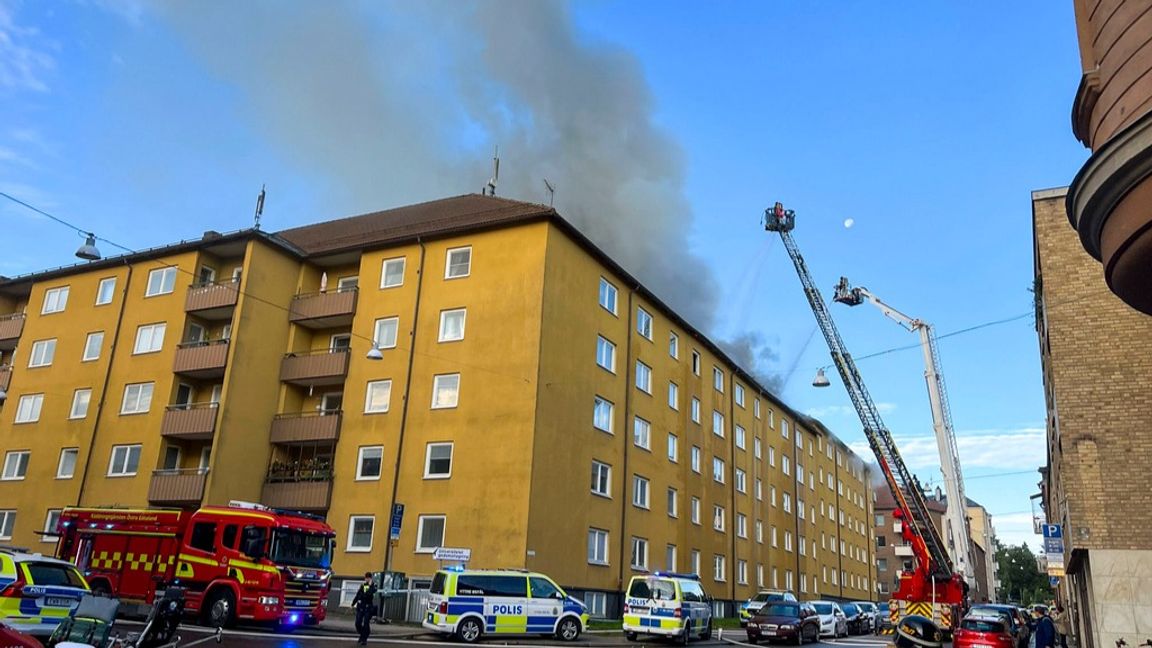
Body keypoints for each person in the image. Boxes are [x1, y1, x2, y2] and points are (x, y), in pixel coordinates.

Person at [352, 572, 378, 646]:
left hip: (368, 607)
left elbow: (369, 594)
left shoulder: (374, 585)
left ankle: (364, 639)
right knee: (358, 623)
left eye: (368, 578)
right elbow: (359, 594)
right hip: (361, 606)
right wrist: (353, 604)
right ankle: (363, 635)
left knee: (366, 623)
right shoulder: (363, 585)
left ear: (370, 578)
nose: (366, 579)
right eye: (366, 578)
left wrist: (369, 586)